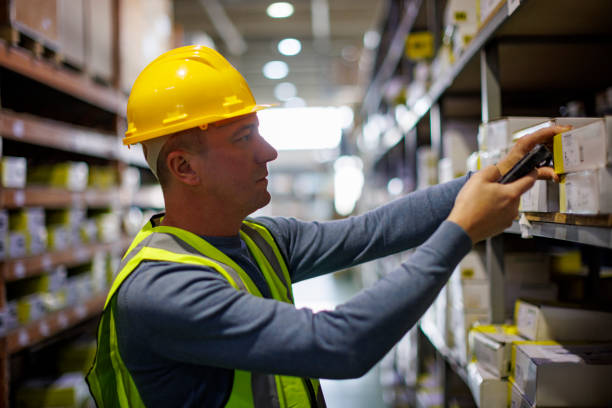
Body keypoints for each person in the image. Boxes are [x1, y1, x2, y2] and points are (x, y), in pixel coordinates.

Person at [86, 45, 566, 408]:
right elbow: (339, 345)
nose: (269, 152)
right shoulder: (163, 289)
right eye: (244, 137)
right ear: (185, 167)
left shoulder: (259, 240)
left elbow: (373, 230)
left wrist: (499, 172)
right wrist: (461, 230)